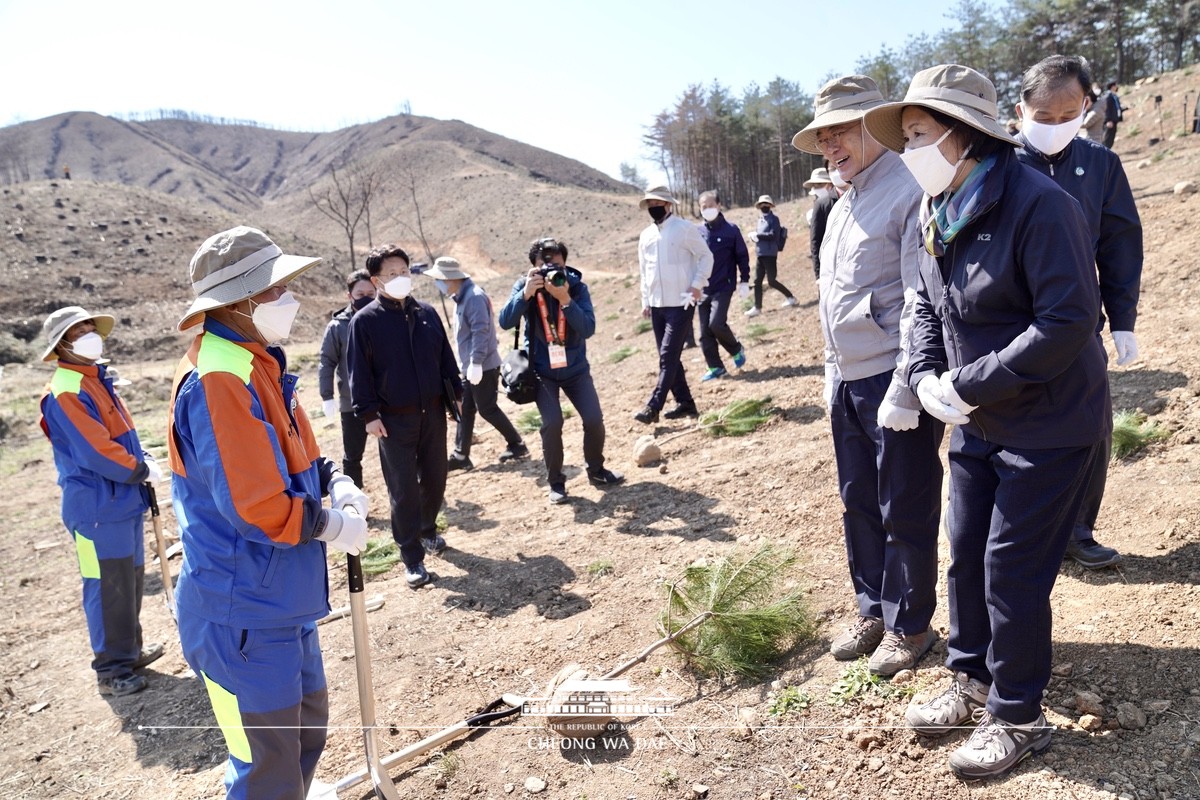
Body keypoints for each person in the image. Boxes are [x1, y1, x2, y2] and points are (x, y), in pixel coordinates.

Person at [864, 63, 1110, 779]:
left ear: (964, 134)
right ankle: (970, 678)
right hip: (978, 419)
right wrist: (919, 376)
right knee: (966, 550)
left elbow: (1069, 320)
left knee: (1013, 569)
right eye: (904, 136)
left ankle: (1018, 715)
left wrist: (971, 383)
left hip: (1050, 422)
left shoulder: (1039, 204)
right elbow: (924, 304)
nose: (907, 150)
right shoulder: (934, 208)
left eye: (918, 134)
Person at [167, 226, 370, 798]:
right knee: (265, 767)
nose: (287, 298)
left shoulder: (257, 363)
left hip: (279, 597)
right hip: (240, 612)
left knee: (303, 737)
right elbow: (255, 506)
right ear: (237, 301)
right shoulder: (218, 380)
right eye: (274, 288)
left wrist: (336, 480)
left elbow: (296, 451)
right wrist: (330, 524)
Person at [792, 74, 943, 678]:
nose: (831, 144)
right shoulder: (841, 202)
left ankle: (910, 625)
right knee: (858, 500)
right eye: (823, 134)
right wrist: (831, 374)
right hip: (847, 378)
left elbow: (918, 298)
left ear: (873, 127)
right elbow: (835, 297)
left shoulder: (908, 190)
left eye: (843, 131)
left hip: (890, 378)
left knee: (904, 500)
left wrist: (907, 387)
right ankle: (872, 608)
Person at [1014, 55, 1143, 570]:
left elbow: (1118, 244)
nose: (1053, 128)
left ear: (1086, 107)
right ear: (1020, 109)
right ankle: (1024, 534)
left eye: (1066, 116)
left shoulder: (1101, 165)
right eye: (1041, 118)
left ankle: (1078, 530)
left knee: (1090, 429)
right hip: (1012, 327)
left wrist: (1124, 318)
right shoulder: (1000, 163)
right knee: (1016, 434)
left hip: (1077, 326)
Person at [38, 306, 164, 698]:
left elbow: (120, 435)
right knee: (105, 586)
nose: (91, 334)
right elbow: (96, 451)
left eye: (92, 327)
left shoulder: (96, 379)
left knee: (129, 582)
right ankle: (110, 670)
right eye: (80, 331)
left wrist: (142, 459)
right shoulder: (65, 390)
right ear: (62, 344)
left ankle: (128, 652)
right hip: (94, 509)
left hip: (121, 502)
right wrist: (138, 470)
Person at [347, 244, 461, 589]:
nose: (400, 278)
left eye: (404, 272)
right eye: (392, 274)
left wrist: (457, 394)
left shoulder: (427, 313)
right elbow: (359, 374)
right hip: (393, 421)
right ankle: (411, 556)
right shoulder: (364, 322)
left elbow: (445, 357)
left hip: (433, 413)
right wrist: (368, 415)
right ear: (377, 280)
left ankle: (427, 529)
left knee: (436, 477)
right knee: (403, 489)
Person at [498, 238, 624, 504]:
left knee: (593, 419)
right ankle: (555, 482)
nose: (550, 271)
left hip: (576, 369)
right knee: (552, 423)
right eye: (543, 266)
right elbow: (505, 321)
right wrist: (525, 295)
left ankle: (596, 470)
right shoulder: (525, 286)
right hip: (543, 372)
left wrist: (565, 298)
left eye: (556, 264)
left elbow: (588, 328)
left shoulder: (576, 288)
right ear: (533, 268)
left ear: (565, 264)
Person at [423, 255, 527, 470]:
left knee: (487, 408)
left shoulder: (474, 297)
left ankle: (516, 443)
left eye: (439, 279)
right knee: (465, 409)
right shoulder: (461, 297)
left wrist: (477, 362)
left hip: (483, 366)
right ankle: (461, 455)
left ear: (450, 278)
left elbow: (481, 331)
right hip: (471, 367)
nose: (438, 284)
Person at [634, 186, 713, 424]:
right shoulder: (645, 235)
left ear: (668, 204)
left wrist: (697, 284)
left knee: (668, 356)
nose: (653, 208)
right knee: (669, 355)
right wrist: (645, 300)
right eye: (650, 204)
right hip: (657, 304)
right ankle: (685, 403)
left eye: (657, 203)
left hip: (681, 302)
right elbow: (643, 271)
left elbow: (706, 256)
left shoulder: (685, 229)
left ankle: (653, 406)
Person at [318, 269, 375, 488]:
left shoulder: (383, 319)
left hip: (385, 398)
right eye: (361, 294)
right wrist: (327, 396)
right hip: (351, 402)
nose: (367, 298)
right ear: (349, 296)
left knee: (398, 450)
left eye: (372, 292)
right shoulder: (337, 327)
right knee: (353, 455)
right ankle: (355, 500)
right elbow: (327, 361)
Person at [696, 190, 750, 381]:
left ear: (719, 205)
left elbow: (742, 255)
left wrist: (744, 280)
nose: (708, 209)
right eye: (704, 207)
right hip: (702, 288)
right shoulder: (697, 232)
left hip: (723, 286)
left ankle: (736, 349)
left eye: (711, 205)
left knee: (716, 323)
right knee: (704, 333)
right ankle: (716, 367)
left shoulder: (731, 230)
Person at [744, 194, 797, 317]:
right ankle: (757, 307)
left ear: (770, 206)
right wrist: (755, 238)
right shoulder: (760, 220)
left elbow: (773, 235)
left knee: (772, 281)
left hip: (770, 254)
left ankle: (790, 297)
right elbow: (761, 236)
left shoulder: (774, 219)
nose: (764, 206)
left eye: (766, 204)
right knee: (757, 281)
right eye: (762, 204)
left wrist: (758, 235)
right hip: (760, 253)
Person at [803, 167, 837, 281]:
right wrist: (818, 275)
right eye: (814, 186)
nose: (815, 188)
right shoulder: (817, 206)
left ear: (829, 184)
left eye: (819, 184)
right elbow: (815, 241)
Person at [1102, 81, 1125, 148]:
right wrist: (1108, 120)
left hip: (1114, 120)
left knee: (1111, 138)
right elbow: (1106, 109)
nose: (1116, 87)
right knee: (1107, 138)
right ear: (1112, 87)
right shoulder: (1108, 96)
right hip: (1110, 121)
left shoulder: (1114, 96)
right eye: (1115, 86)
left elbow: (1115, 108)